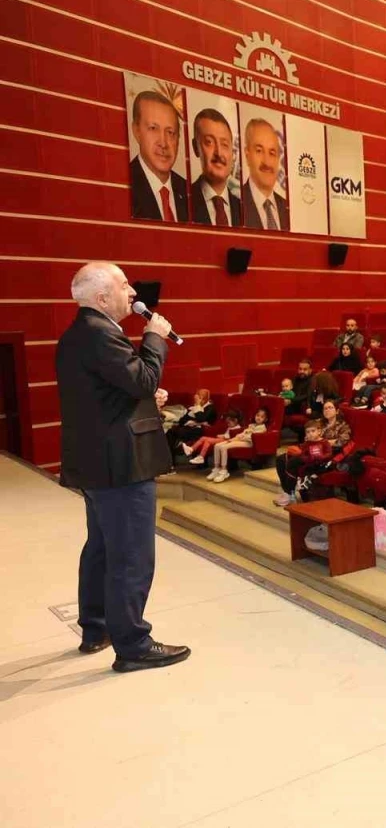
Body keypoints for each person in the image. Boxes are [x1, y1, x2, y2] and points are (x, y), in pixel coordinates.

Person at [56, 262, 188, 670]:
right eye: (124, 284)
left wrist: (145, 395)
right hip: (121, 466)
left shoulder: (79, 334)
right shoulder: (101, 334)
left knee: (100, 548)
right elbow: (143, 380)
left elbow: (108, 395)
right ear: (102, 298)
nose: (132, 292)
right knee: (131, 555)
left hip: (98, 463)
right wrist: (155, 338)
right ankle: (132, 644)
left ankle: (96, 628)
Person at [128, 91, 189, 222]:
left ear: (178, 139)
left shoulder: (190, 192)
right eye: (153, 128)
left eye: (170, 132)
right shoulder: (122, 187)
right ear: (136, 131)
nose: (163, 143)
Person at [189, 107, 241, 226]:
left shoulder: (244, 210)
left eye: (224, 144)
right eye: (209, 142)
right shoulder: (181, 204)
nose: (219, 153)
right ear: (196, 147)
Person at [240, 117, 290, 230]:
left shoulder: (288, 209)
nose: (266, 162)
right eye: (259, 151)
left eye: (272, 153)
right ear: (247, 155)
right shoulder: (235, 204)